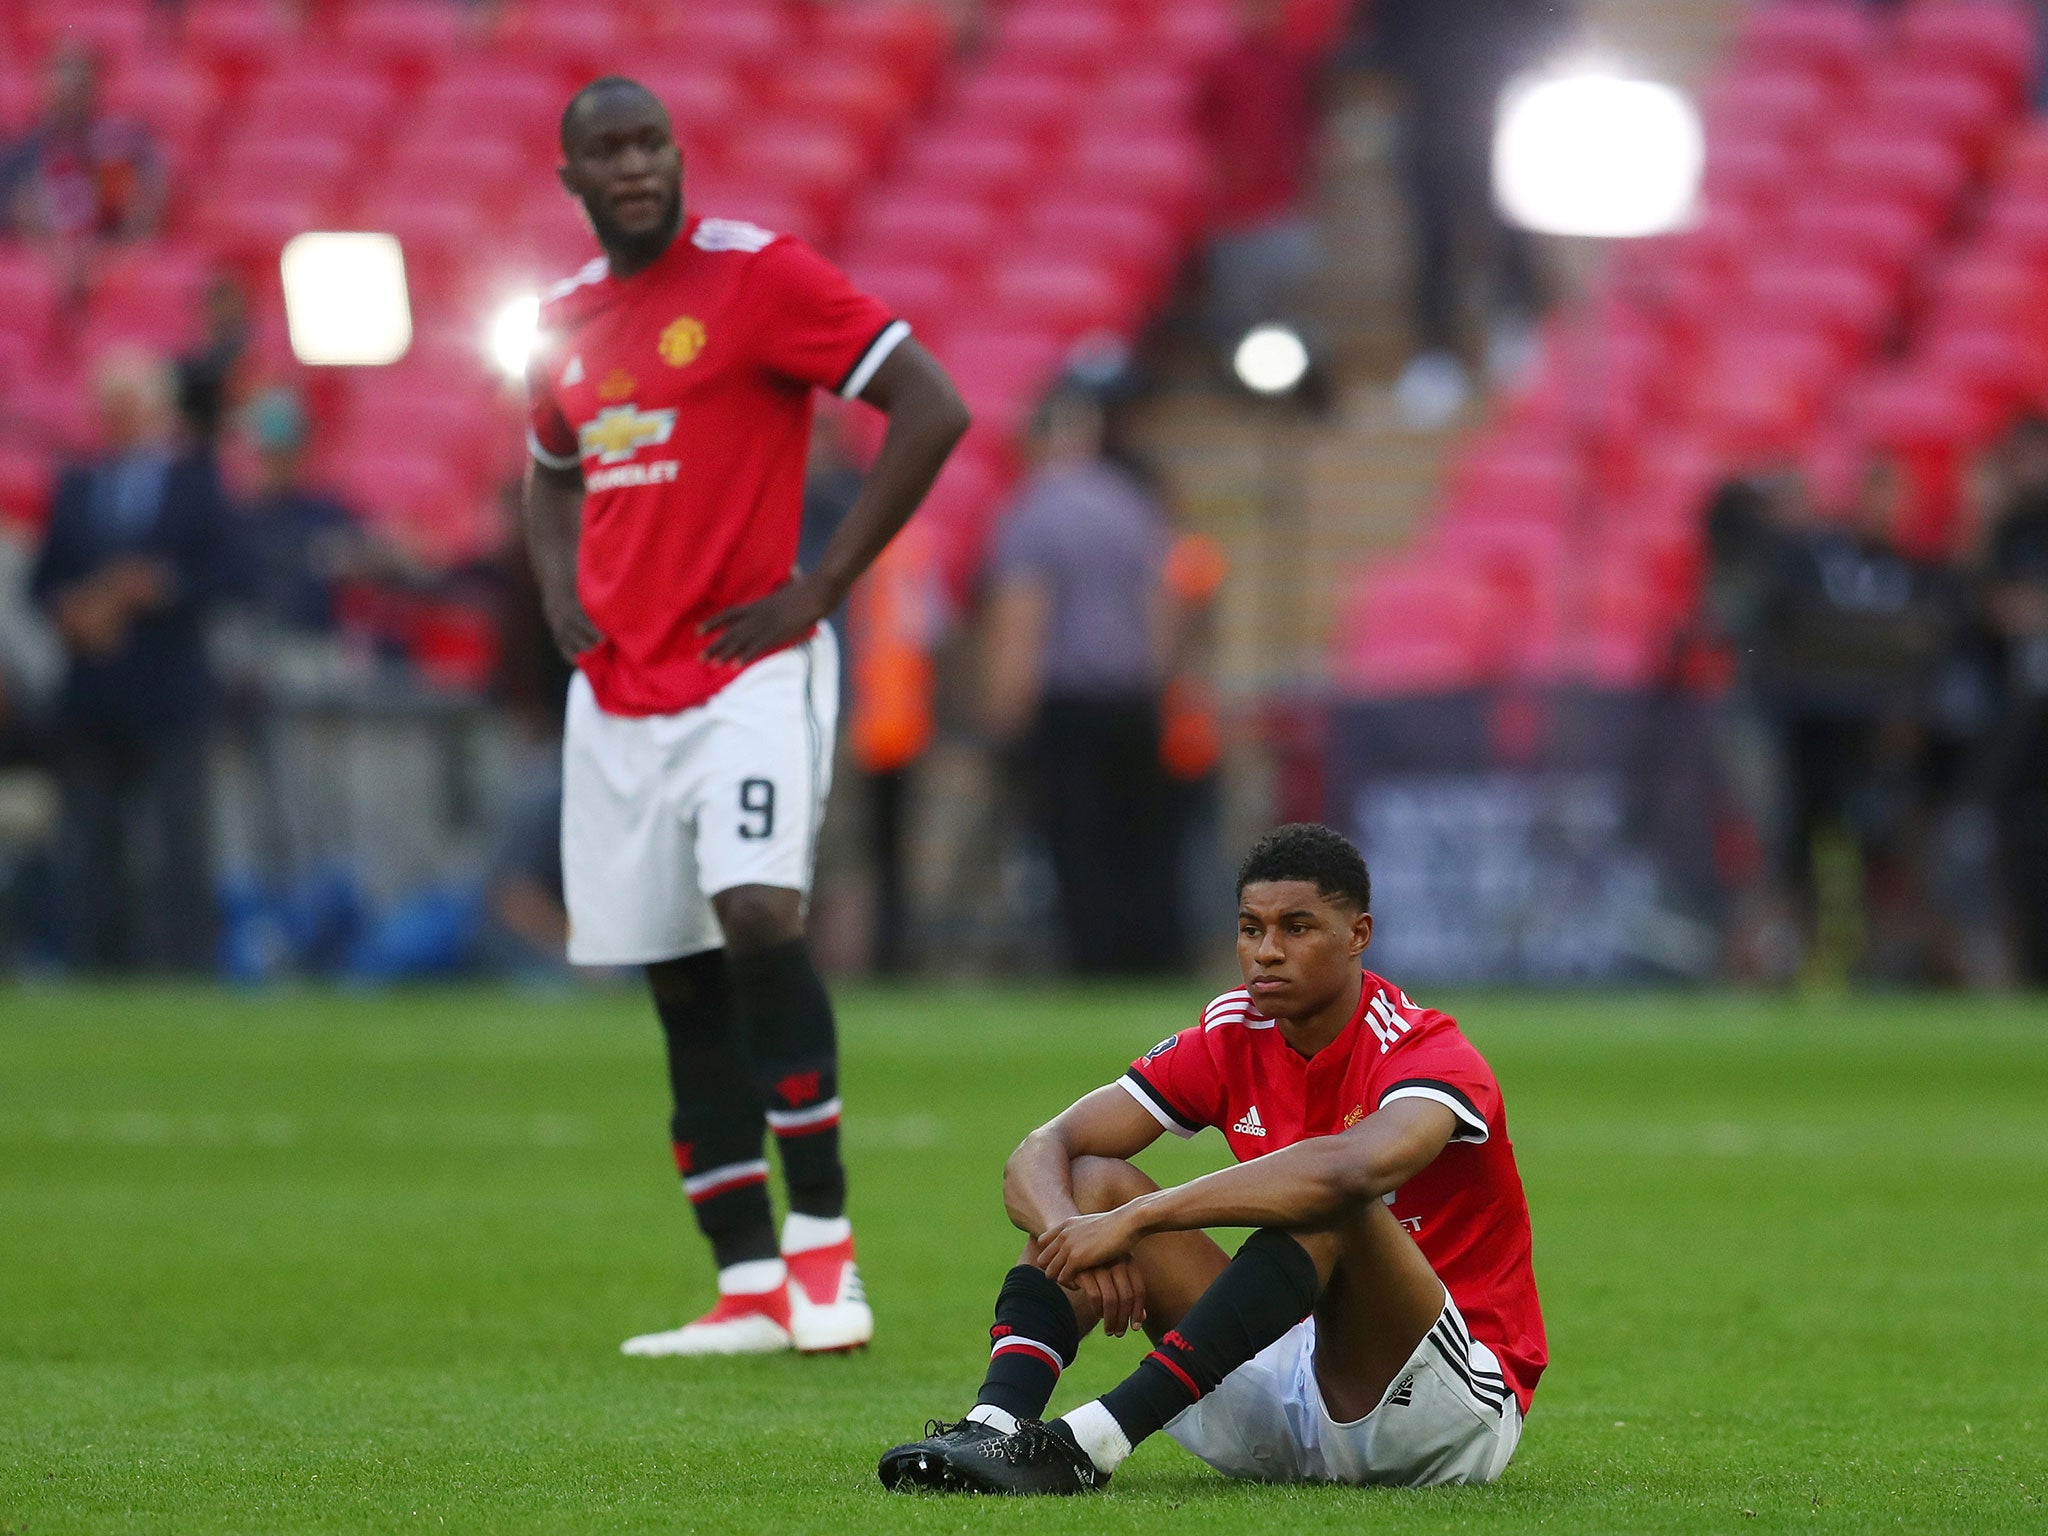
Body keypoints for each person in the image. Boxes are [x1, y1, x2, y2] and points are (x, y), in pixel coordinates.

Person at [521, 78, 969, 1357]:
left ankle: (828, 1256)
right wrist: (560, 592)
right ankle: (747, 1285)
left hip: (746, 669)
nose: (634, 166)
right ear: (572, 180)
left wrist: (821, 585)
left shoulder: (759, 276)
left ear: (676, 154)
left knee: (759, 913)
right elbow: (550, 470)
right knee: (671, 973)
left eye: (649, 142)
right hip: (618, 689)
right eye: (605, 151)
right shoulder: (559, 322)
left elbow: (931, 404)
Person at [878, 823, 1543, 1494]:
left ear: (1358, 936)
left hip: (1441, 1411)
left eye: (1298, 928)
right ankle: (994, 1424)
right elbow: (1041, 1150)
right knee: (1090, 1182)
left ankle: (1088, 1444)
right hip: (1293, 1385)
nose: (1268, 953)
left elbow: (1346, 1172)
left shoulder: (1424, 1049)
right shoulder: (1233, 1031)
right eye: (1251, 929)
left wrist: (1138, 1221)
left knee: (1328, 1199)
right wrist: (1075, 1235)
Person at [30, 348, 233, 973]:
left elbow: (226, 573)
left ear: (157, 411)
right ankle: (98, 966)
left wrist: (157, 588)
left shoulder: (195, 482)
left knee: (179, 842)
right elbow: (43, 579)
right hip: (92, 692)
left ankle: (184, 968)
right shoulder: (78, 484)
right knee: (92, 842)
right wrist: (73, 609)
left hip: (168, 691)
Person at [980, 382, 1184, 974]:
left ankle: (1091, 958)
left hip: (1068, 703)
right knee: (1141, 838)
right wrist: (1157, 682)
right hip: (1134, 697)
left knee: (1079, 841)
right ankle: (1149, 956)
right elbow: (1163, 606)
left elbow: (1023, 618)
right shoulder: (1133, 504)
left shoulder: (1031, 513)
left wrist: (1004, 711)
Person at [0, 43, 163, 253]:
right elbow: (11, 224)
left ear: (94, 89)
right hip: (37, 266)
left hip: (108, 262)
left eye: (79, 86)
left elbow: (141, 220)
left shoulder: (123, 150)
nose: (70, 96)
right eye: (62, 87)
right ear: (43, 87)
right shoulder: (17, 156)